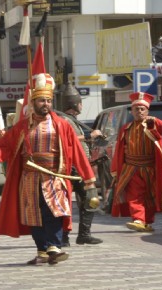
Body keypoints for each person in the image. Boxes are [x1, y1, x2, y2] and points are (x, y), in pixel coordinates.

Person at [0, 73, 98, 265]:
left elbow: (77, 152)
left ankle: (55, 246)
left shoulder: (62, 125)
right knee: (34, 216)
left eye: (49, 100)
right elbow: (4, 147)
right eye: (42, 100)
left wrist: (89, 180)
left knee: (55, 212)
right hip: (30, 178)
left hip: (55, 177)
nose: (46, 104)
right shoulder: (21, 127)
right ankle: (42, 250)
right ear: (33, 102)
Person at [110, 91, 162, 233]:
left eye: (142, 109)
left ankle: (147, 221)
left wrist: (152, 120)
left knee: (150, 196)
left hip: (149, 167)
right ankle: (138, 219)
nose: (139, 111)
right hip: (131, 168)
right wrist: (117, 168)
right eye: (136, 109)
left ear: (147, 110)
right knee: (134, 195)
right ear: (132, 111)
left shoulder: (152, 124)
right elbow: (119, 149)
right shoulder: (126, 128)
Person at [57, 83, 104, 245]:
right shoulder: (64, 120)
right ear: (75, 104)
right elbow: (65, 140)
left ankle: (83, 234)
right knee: (65, 203)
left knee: (90, 199)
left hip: (80, 167)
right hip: (71, 167)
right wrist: (90, 136)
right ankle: (63, 236)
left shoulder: (72, 120)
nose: (81, 106)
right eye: (80, 103)